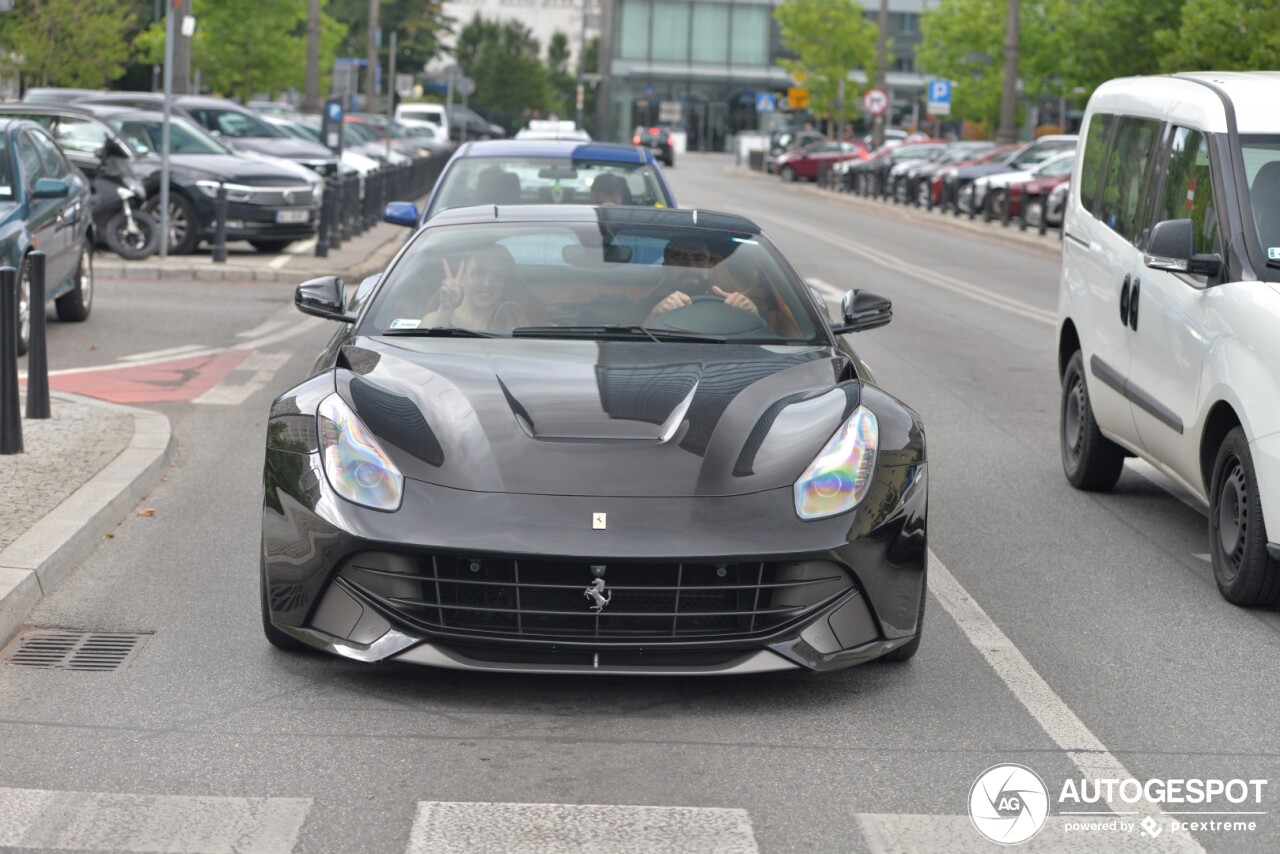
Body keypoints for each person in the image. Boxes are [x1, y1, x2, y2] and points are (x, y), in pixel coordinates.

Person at [637, 237, 759, 325]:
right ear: (666, 268)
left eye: (699, 259)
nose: (690, 265)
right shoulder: (647, 307)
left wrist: (753, 315)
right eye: (679, 258)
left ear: (711, 267)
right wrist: (653, 317)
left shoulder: (733, 309)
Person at [421, 244, 529, 333]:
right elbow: (423, 351)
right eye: (479, 274)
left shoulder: (516, 325)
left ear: (504, 284)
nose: (487, 283)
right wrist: (446, 309)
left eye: (497, 276)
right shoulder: (433, 320)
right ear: (462, 277)